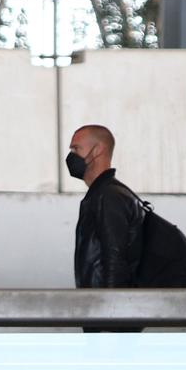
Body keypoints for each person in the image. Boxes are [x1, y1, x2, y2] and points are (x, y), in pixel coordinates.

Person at [67, 124, 145, 290]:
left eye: (76, 148)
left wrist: (109, 308)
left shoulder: (108, 196)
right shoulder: (106, 193)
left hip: (105, 308)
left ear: (97, 150)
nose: (71, 156)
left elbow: (114, 259)